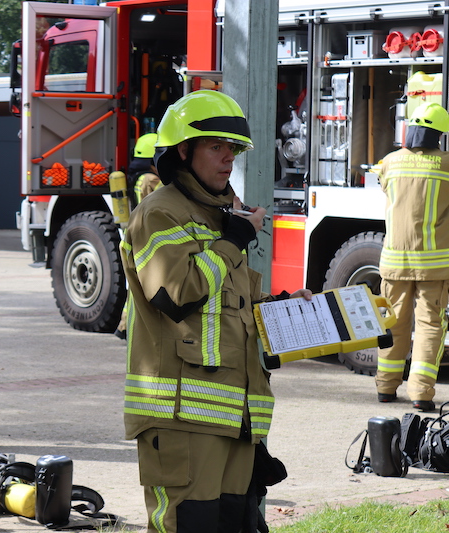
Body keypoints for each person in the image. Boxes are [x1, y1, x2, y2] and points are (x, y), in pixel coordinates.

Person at [120, 90, 311, 533]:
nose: (228, 160)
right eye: (216, 147)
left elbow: (231, 309)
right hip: (182, 420)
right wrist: (233, 242)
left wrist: (287, 311)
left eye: (233, 150)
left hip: (235, 421)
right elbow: (176, 293)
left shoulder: (224, 216)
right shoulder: (160, 213)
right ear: (183, 151)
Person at [376, 102, 449, 413]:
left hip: (393, 263)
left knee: (392, 324)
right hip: (433, 266)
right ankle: (421, 393)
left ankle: (385, 387)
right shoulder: (446, 165)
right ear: (438, 135)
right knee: (430, 326)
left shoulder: (391, 163)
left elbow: (382, 183)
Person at [115, 133, 163, 340]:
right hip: (146, 236)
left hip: (135, 235)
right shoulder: (151, 180)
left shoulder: (138, 177)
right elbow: (168, 198)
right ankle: (127, 328)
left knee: (134, 286)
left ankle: (125, 327)